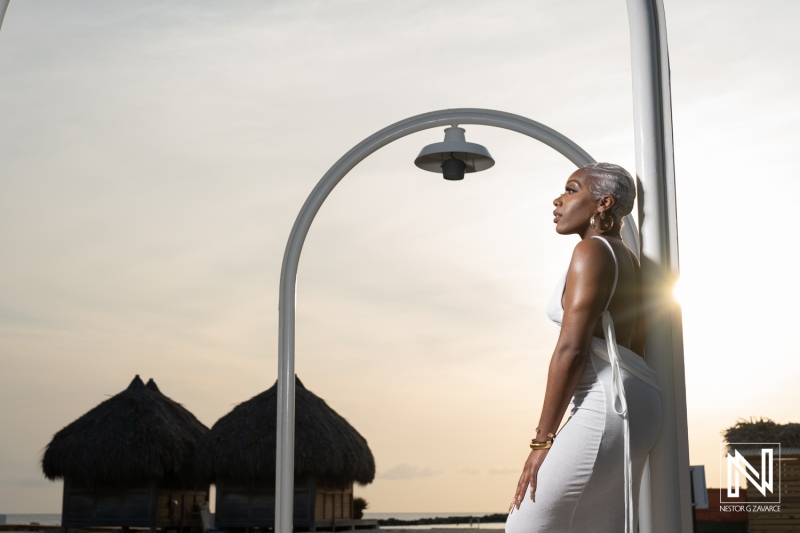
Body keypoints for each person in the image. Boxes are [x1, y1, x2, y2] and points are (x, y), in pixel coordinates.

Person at [504, 163, 662, 533]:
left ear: (602, 203)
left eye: (572, 190)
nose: (558, 200)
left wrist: (541, 442)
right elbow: (635, 343)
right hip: (636, 403)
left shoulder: (591, 252)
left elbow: (570, 350)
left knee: (525, 525)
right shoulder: (628, 259)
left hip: (608, 404)